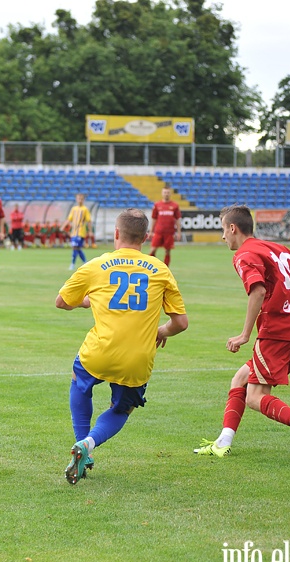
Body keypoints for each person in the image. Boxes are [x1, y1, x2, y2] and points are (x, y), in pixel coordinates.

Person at [57, 208, 188, 484]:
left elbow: (61, 302)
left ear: (116, 234)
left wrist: (86, 301)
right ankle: (89, 445)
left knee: (79, 381)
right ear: (146, 237)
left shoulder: (95, 265)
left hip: (99, 352)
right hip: (138, 358)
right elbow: (181, 323)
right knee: (122, 409)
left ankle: (81, 443)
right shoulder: (160, 269)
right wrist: (162, 330)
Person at [194, 205, 290, 467]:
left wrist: (244, 335)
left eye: (223, 230)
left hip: (278, 328)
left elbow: (257, 290)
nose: (223, 237)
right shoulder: (278, 248)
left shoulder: (244, 254)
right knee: (240, 379)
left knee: (254, 396)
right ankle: (223, 442)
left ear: (233, 228)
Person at [149, 185, 182, 266]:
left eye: (168, 192)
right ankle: (151, 266)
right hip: (159, 231)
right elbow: (154, 218)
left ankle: (166, 268)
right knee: (153, 250)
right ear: (162, 193)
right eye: (165, 192)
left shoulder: (175, 205)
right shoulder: (157, 205)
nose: (166, 194)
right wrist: (151, 231)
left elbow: (177, 219)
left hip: (169, 232)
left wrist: (179, 232)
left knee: (167, 251)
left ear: (170, 194)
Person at [64, 193, 92, 269]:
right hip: (73, 232)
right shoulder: (74, 209)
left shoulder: (85, 209)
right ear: (76, 199)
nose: (80, 200)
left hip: (81, 232)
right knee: (77, 248)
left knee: (75, 247)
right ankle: (85, 262)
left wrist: (90, 231)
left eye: (81, 199)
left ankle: (72, 264)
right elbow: (69, 219)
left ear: (83, 200)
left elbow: (89, 221)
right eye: (78, 198)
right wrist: (63, 226)